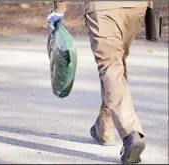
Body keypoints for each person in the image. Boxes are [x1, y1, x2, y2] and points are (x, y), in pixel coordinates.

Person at [47, 1, 148, 164]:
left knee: (110, 66)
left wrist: (59, 8)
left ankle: (131, 132)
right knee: (117, 63)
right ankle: (105, 127)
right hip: (135, 6)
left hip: (103, 7)